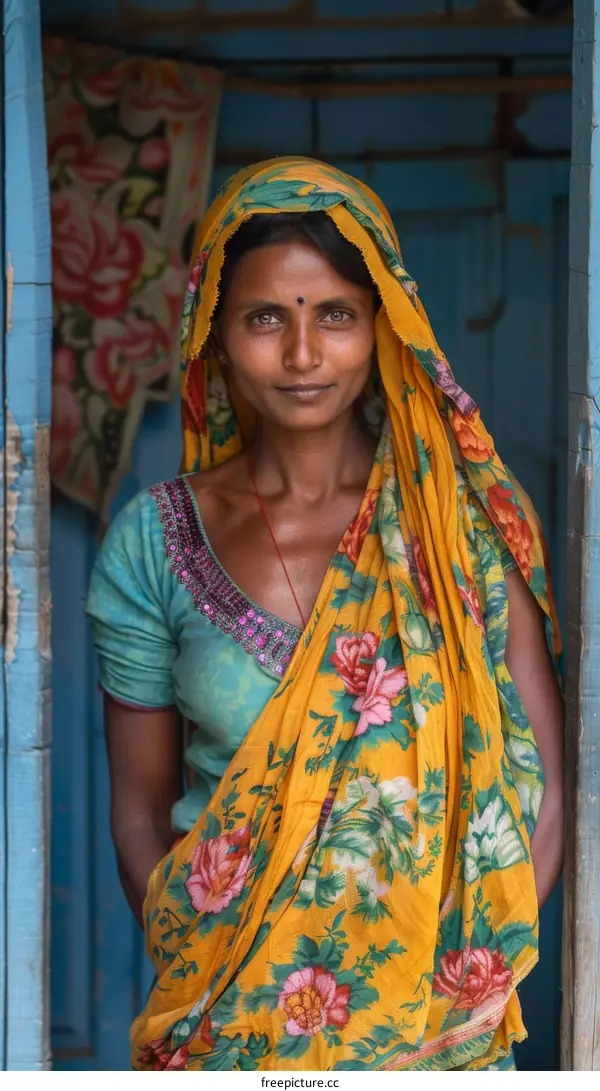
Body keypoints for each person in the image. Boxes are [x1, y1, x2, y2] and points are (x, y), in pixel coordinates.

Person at [86, 157, 564, 1072]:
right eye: (266, 318)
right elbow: (140, 814)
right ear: (214, 337)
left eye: (335, 315)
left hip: (431, 1041)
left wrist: (452, 1001)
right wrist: (217, 974)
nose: (302, 354)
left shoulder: (465, 527)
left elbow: (536, 787)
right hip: (231, 1030)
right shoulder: (153, 543)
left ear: (385, 326)